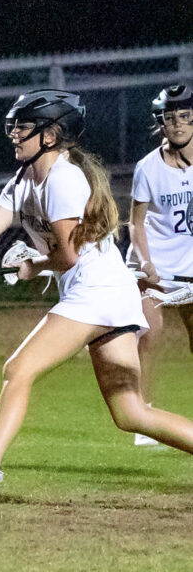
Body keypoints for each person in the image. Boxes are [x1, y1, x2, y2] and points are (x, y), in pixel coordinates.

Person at [0, 89, 193, 500]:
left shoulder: (63, 179)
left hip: (97, 292)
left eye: (23, 127)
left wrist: (32, 265)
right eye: (14, 126)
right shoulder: (24, 180)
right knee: (131, 413)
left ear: (51, 135)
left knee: (18, 369)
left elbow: (69, 257)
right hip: (109, 293)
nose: (14, 134)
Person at [126, 84, 193, 446]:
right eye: (170, 118)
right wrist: (145, 261)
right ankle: (143, 416)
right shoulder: (148, 168)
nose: (178, 124)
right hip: (156, 264)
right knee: (150, 334)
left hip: (192, 266)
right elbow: (136, 223)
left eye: (184, 116)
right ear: (160, 123)